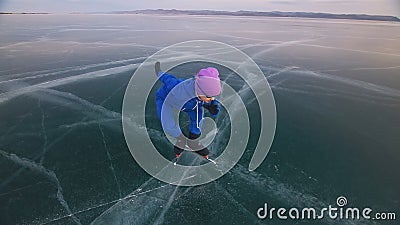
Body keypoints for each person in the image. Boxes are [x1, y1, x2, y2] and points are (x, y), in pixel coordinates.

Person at [154, 61, 221, 159]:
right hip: (166, 100)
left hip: (191, 105)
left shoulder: (204, 96)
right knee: (167, 125)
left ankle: (192, 140)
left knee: (198, 115)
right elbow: (167, 79)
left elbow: (211, 103)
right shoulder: (178, 89)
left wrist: (214, 108)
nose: (212, 99)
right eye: (209, 97)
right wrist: (158, 71)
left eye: (214, 96)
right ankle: (180, 138)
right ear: (199, 91)